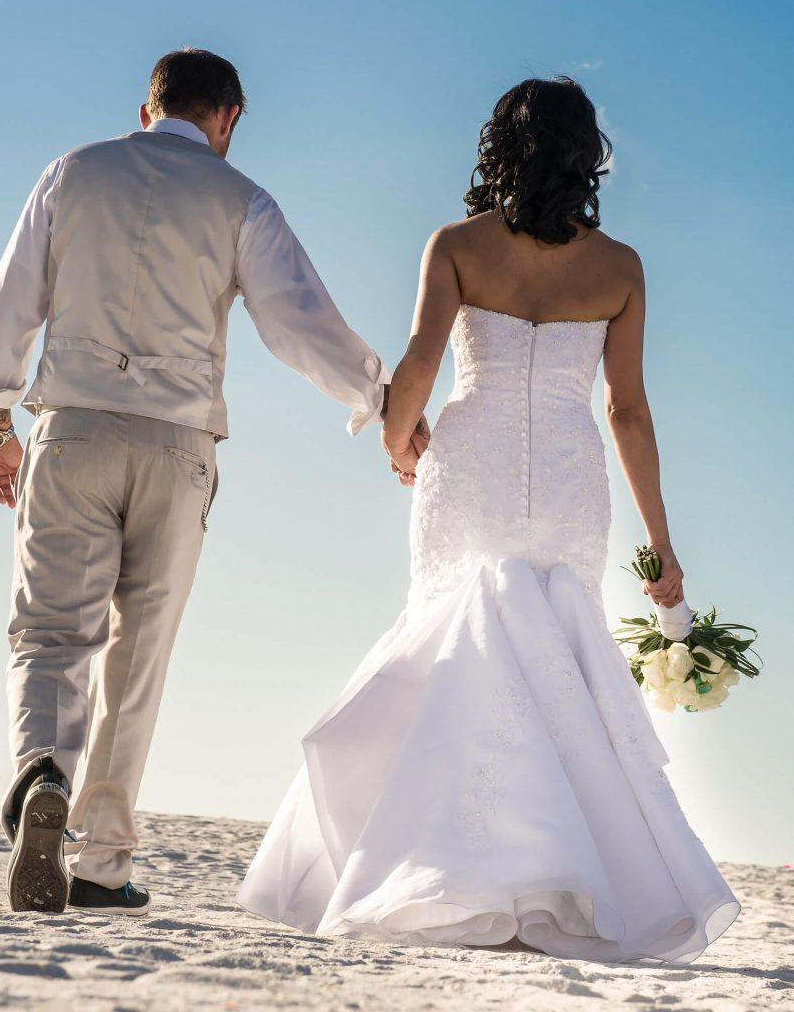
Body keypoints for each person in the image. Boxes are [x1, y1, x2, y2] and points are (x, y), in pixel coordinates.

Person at [238, 77, 739, 962]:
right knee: (552, 643)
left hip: (466, 463)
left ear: (498, 147)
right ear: (589, 156)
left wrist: (398, 441)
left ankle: (437, 866)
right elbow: (629, 412)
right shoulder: (620, 267)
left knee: (454, 640)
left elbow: (423, 359)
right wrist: (662, 546)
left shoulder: (458, 244)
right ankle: (559, 880)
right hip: (569, 471)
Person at [0, 48, 412, 915]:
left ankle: (40, 775)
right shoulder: (242, 199)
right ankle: (100, 865)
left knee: (53, 631)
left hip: (73, 430)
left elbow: (8, 312)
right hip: (177, 447)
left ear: (146, 109)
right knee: (141, 653)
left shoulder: (71, 174)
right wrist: (382, 400)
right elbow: (299, 323)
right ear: (229, 121)